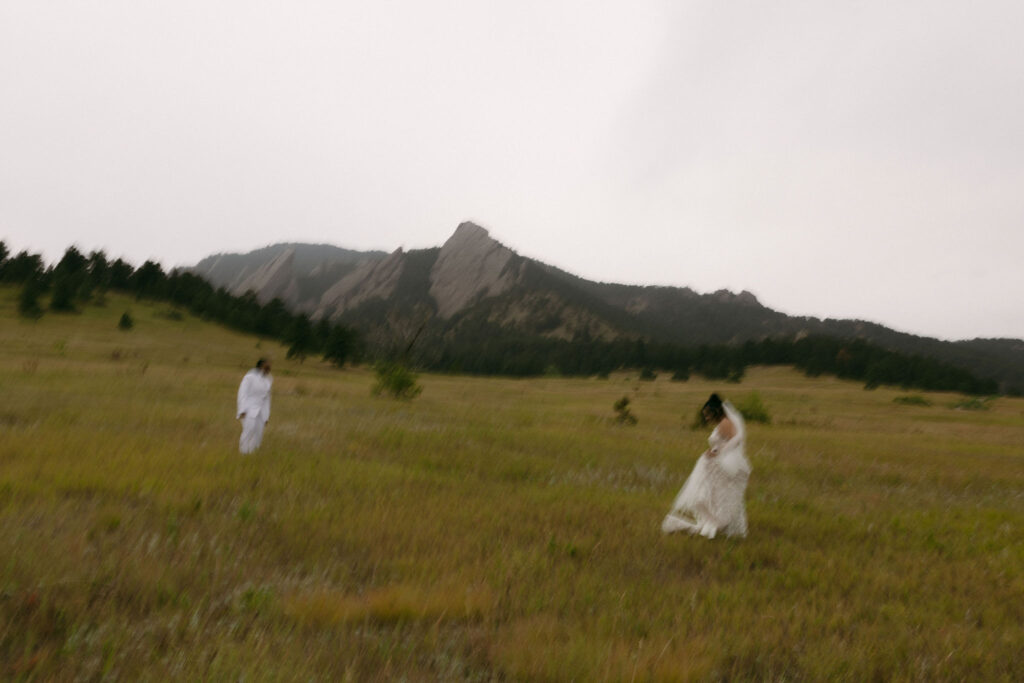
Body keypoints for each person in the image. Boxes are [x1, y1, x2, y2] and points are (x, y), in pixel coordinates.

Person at [662, 393, 751, 539]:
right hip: (714, 464)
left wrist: (718, 451)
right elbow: (724, 442)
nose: (706, 418)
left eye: (708, 415)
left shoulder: (725, 423)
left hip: (723, 466)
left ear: (715, 411)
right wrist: (715, 451)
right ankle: (716, 524)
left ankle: (720, 524)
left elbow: (736, 439)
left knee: (718, 496)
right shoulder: (721, 424)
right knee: (709, 496)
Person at [237, 358, 273, 454]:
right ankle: (243, 453)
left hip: (261, 412)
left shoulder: (268, 381)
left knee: (258, 434)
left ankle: (252, 453)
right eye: (267, 366)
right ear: (260, 366)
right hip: (248, 409)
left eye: (269, 366)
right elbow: (242, 393)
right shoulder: (249, 377)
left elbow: (267, 400)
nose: (269, 368)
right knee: (249, 430)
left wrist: (266, 417)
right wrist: (242, 410)